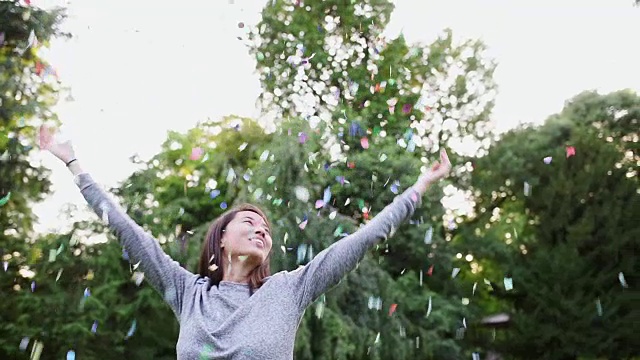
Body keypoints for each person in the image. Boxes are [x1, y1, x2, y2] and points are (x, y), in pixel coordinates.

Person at [38, 125, 452, 359]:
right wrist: (74, 163)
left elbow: (366, 237)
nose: (262, 230)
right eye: (250, 222)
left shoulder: (289, 289)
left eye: (266, 229)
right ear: (221, 239)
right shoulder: (187, 292)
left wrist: (420, 185)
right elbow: (128, 231)